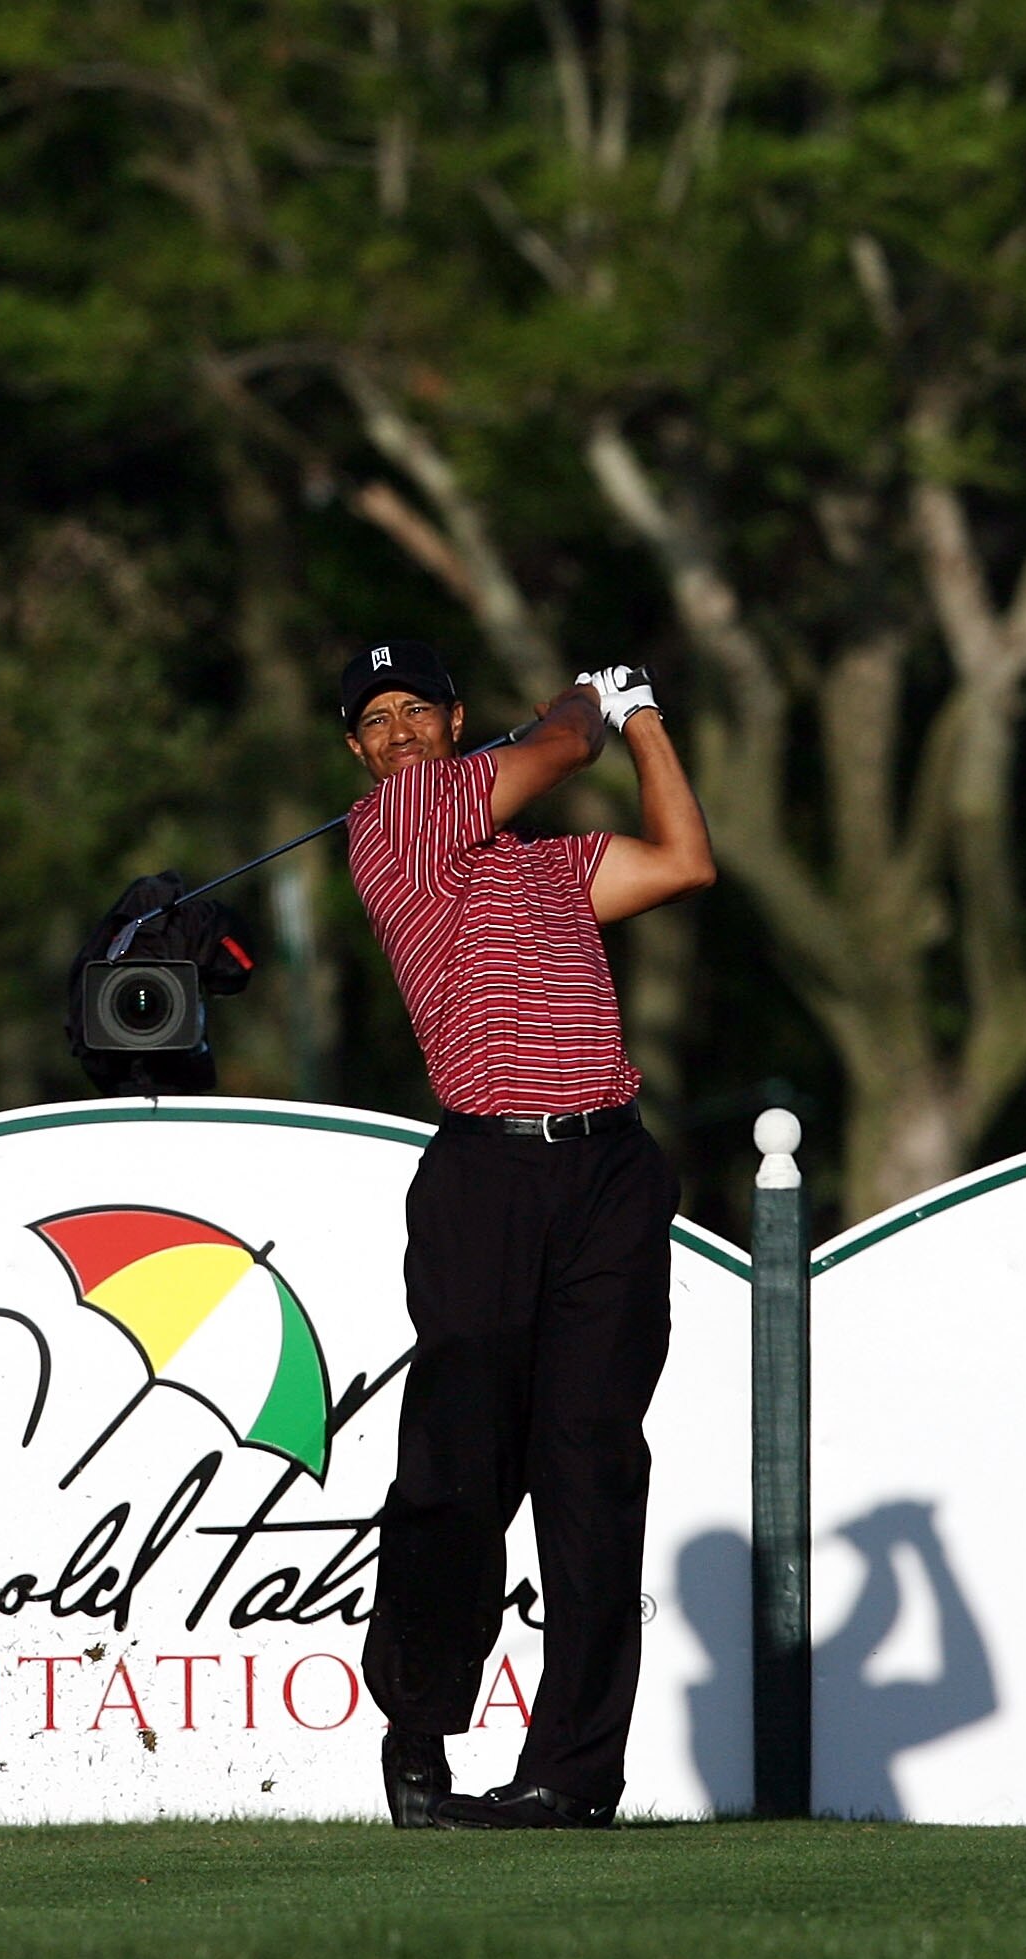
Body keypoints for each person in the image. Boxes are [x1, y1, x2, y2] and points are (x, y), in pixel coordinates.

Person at [338, 636, 714, 1832]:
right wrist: (583, 703)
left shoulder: (549, 871)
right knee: (460, 1470)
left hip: (607, 1164)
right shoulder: (393, 828)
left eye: (416, 713)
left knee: (593, 1470)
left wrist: (645, 716)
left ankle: (571, 1776)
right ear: (361, 753)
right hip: (484, 1178)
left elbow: (684, 860)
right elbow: (557, 745)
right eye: (375, 721)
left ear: (456, 724)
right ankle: (418, 1728)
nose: (398, 733)